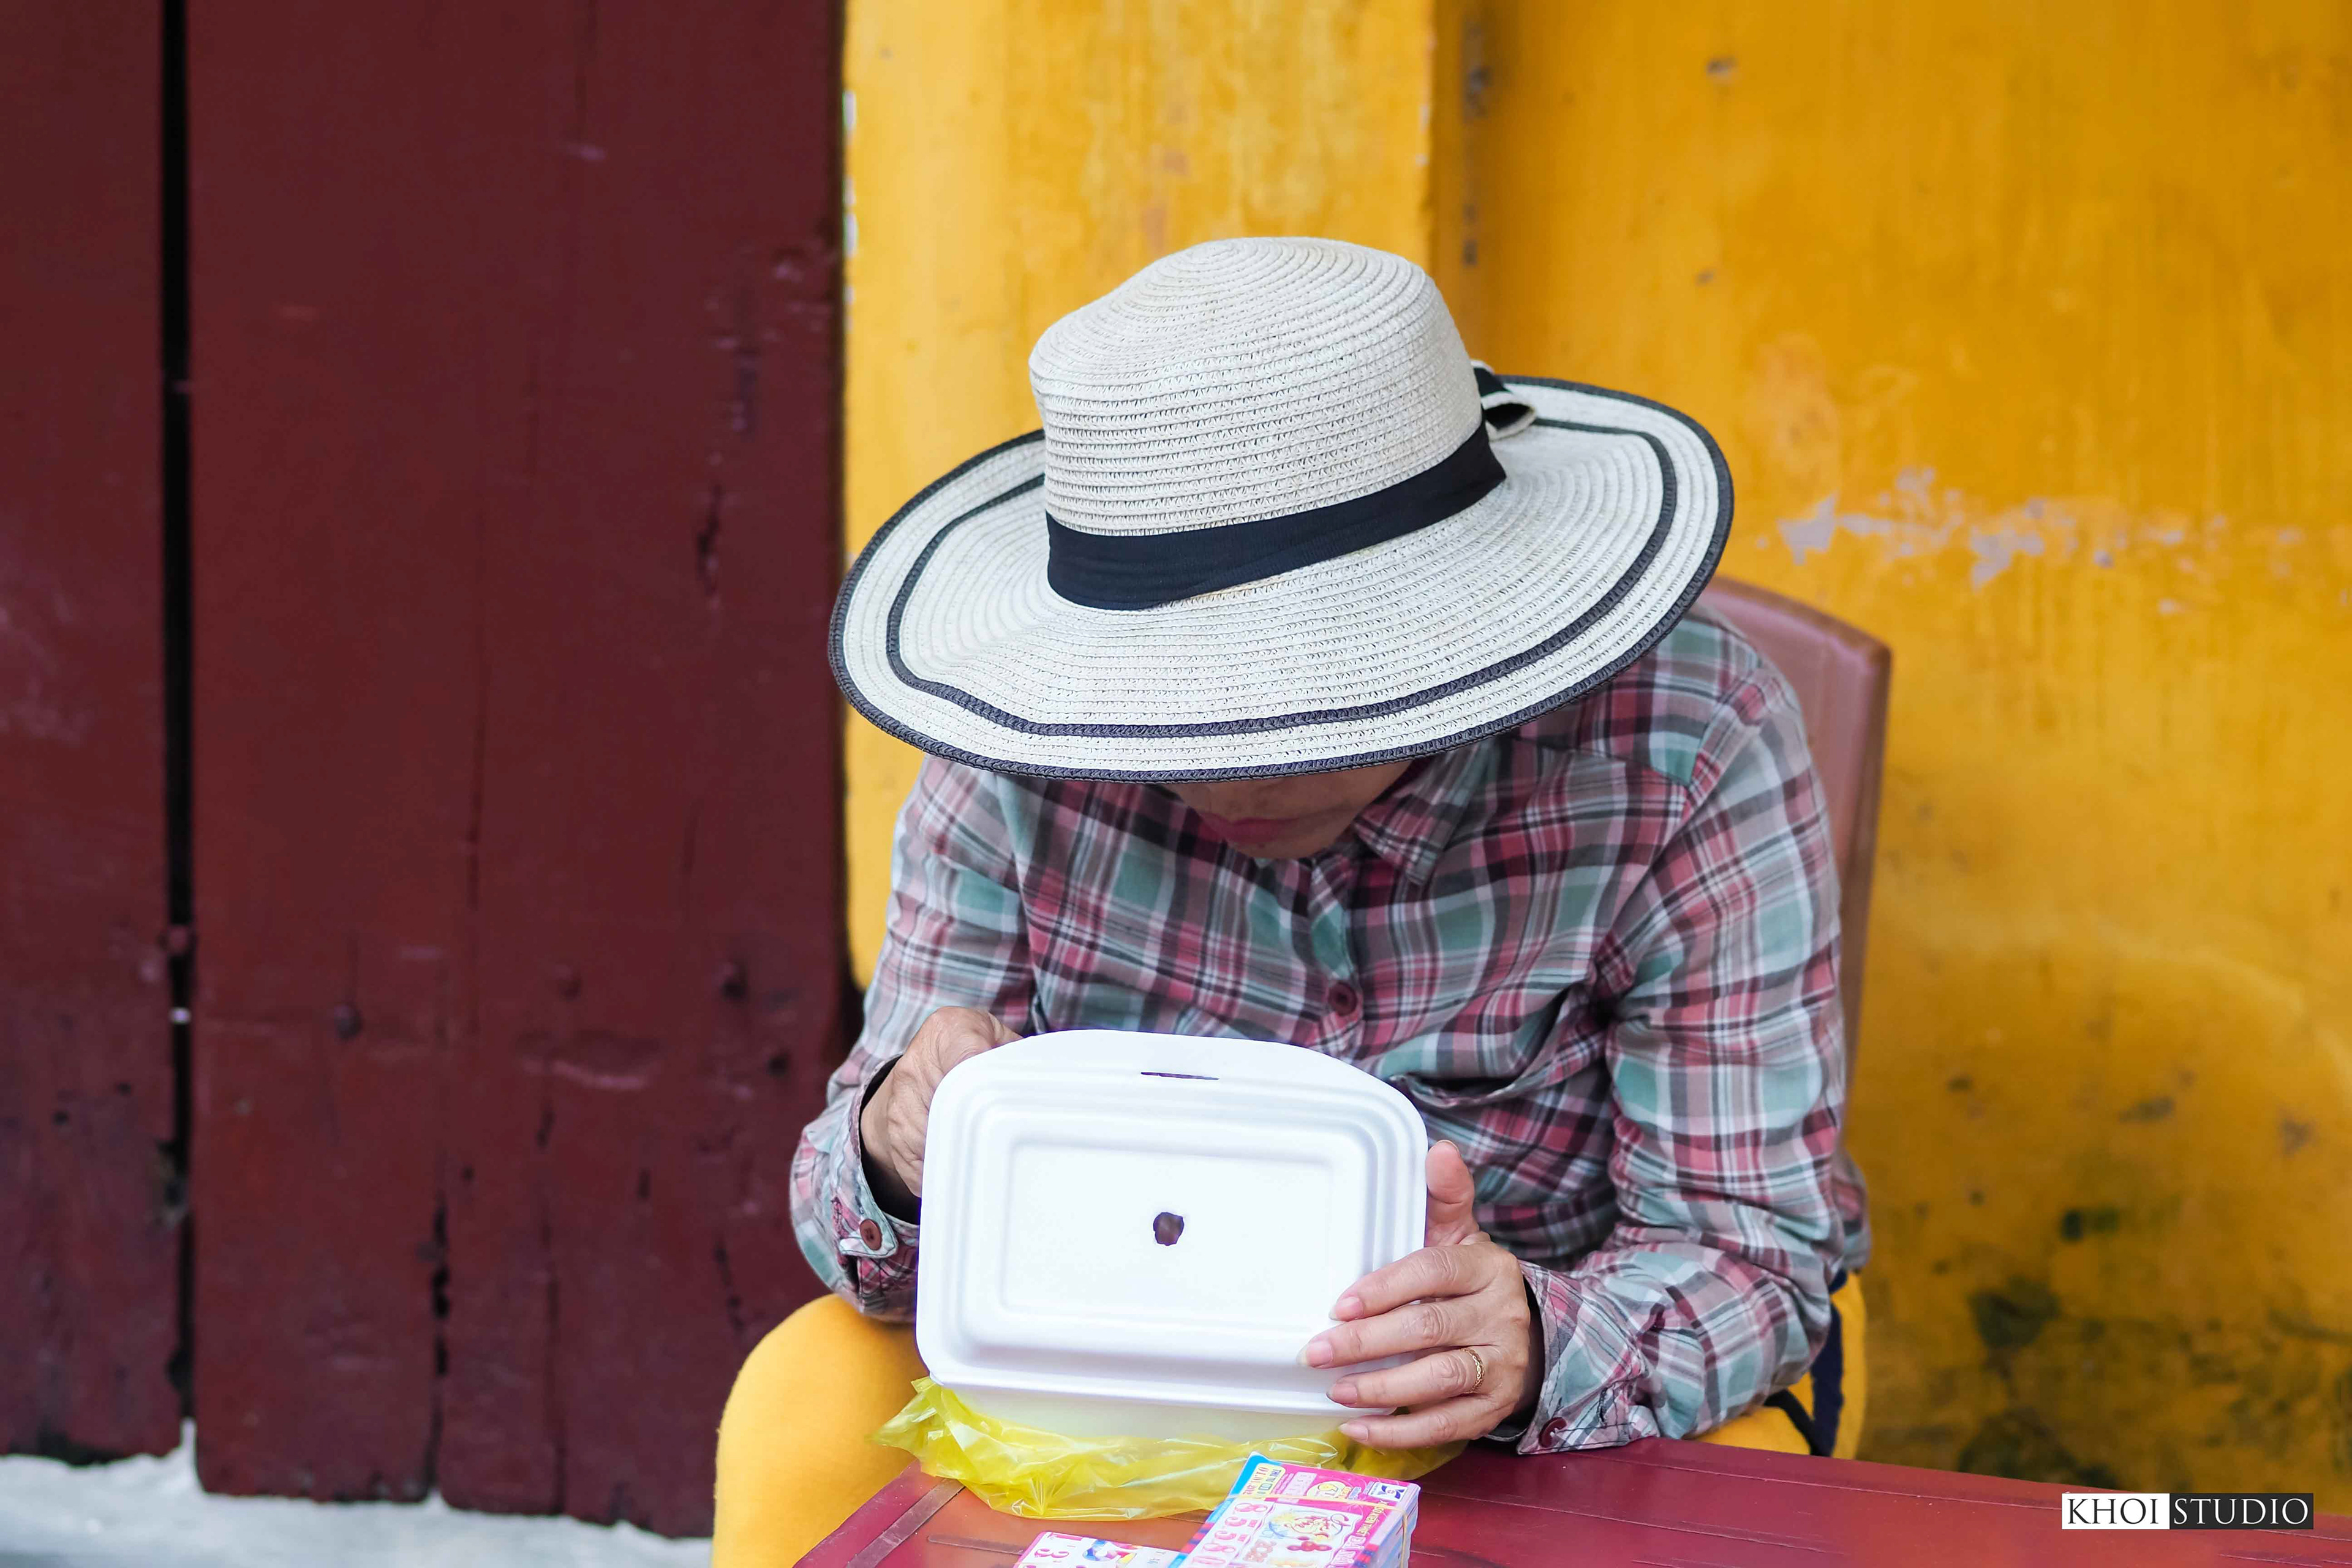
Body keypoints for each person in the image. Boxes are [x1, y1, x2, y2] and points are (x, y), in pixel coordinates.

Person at [713, 236, 1870, 1562]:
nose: (1233, 767)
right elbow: (850, 1230)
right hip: (1104, 1372)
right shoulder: (1014, 756)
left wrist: (1534, 1336)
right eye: (1178, 708)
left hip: (1546, 1386)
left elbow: (1753, 1249)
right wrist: (897, 1147)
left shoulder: (1685, 745)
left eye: (1298, 700)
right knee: (800, 1414)